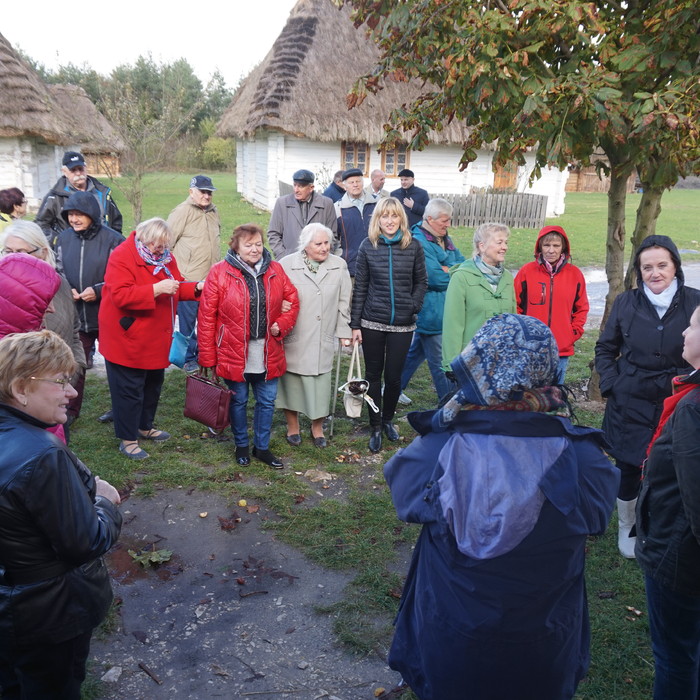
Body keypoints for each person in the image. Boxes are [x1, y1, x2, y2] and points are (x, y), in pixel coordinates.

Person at [384, 313, 619, 700]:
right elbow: (597, 515)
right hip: (544, 643)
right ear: (544, 366)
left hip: (453, 637)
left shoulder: (441, 447)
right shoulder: (583, 456)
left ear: (484, 363)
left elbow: (405, 496)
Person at [0, 329, 122, 700]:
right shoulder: (41, 454)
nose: (71, 392)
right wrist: (105, 502)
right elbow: (83, 543)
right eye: (61, 382)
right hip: (48, 612)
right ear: (21, 389)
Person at [595, 234, 700, 559]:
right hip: (630, 398)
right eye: (647, 267)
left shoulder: (694, 301)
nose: (655, 273)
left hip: (677, 399)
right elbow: (606, 347)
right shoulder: (627, 302)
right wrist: (613, 383)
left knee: (668, 465)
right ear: (639, 271)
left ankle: (660, 523)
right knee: (629, 464)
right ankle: (627, 527)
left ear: (675, 267)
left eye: (662, 265)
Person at [98, 218, 204, 460]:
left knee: (152, 385)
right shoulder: (122, 256)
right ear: (143, 239)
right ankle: (128, 439)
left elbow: (175, 287)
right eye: (156, 245)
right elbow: (120, 295)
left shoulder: (166, 258)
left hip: (155, 337)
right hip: (127, 337)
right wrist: (156, 290)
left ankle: (145, 426)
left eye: (164, 245)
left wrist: (197, 287)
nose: (160, 250)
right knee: (129, 390)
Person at [636, 303, 700, 699]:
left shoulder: (693, 410)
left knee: (676, 656)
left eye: (692, 326)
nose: (683, 333)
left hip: (680, 561)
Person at [198, 223, 299, 468]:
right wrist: (208, 357)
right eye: (248, 245)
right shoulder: (219, 272)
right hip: (233, 351)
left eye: (258, 244)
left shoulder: (275, 269)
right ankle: (241, 445)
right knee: (239, 401)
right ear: (236, 246)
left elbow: (292, 300)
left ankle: (261, 448)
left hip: (268, 350)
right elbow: (206, 316)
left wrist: (281, 324)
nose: (254, 250)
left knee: (266, 402)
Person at [350, 197, 427, 453]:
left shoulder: (413, 246)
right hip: (372, 321)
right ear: (378, 220)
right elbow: (360, 286)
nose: (390, 221)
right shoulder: (367, 246)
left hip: (403, 326)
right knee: (373, 376)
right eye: (385, 216)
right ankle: (374, 425)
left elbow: (421, 282)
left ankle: (387, 420)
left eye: (394, 216)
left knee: (394, 378)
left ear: (401, 219)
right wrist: (355, 323)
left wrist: (412, 305)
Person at [1, 221, 86, 436]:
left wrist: (67, 378)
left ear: (43, 251)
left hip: (57, 397)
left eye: (21, 251)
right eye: (8, 251)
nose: (14, 257)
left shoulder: (61, 285)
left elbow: (74, 332)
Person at [277, 223, 352, 447]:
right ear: (306, 245)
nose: (324, 248)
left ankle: (317, 427)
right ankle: (293, 426)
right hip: (296, 336)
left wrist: (344, 332)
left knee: (320, 385)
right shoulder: (287, 264)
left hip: (323, 336)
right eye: (318, 244)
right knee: (291, 382)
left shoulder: (339, 266)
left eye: (327, 243)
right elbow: (276, 297)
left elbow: (344, 302)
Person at [399, 198, 465, 405]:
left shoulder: (444, 237)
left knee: (415, 353)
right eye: (444, 221)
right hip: (429, 310)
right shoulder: (418, 240)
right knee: (441, 362)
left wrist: (450, 268)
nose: (448, 225)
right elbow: (435, 278)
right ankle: (449, 405)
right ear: (429, 218)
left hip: (443, 308)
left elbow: (464, 265)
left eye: (449, 220)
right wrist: (451, 270)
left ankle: (392, 388)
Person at [515, 225, 589, 383]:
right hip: (531, 349)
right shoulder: (526, 272)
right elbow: (515, 304)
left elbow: (581, 308)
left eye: (556, 245)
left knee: (554, 395)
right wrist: (522, 333)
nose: (551, 250)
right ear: (540, 247)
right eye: (547, 245)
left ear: (563, 248)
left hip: (561, 348)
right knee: (530, 397)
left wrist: (572, 333)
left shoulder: (574, 274)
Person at [441, 222, 516, 371]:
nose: (505, 247)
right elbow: (452, 324)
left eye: (506, 242)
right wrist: (451, 364)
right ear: (482, 246)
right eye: (499, 242)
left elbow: (514, 319)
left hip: (502, 361)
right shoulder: (461, 277)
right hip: (471, 361)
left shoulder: (507, 277)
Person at [167, 175, 221, 372]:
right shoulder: (182, 212)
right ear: (192, 191)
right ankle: (189, 358)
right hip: (188, 280)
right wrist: (176, 275)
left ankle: (206, 355)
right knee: (188, 324)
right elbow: (166, 244)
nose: (207, 196)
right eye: (203, 192)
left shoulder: (214, 212)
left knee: (208, 321)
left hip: (211, 279)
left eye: (209, 192)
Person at [35, 151, 122, 245]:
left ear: (86, 168)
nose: (78, 173)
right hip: (71, 249)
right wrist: (58, 241)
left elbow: (116, 220)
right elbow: (40, 224)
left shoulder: (102, 192)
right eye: (73, 170)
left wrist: (113, 242)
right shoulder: (55, 196)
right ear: (64, 172)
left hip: (102, 247)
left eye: (80, 169)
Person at [268, 169, 338, 260]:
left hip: (318, 261)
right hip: (290, 261)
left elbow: (332, 235)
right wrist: (283, 257)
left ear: (311, 188)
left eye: (300, 186)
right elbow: (273, 233)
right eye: (295, 185)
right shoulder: (282, 203)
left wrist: (323, 257)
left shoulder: (326, 204)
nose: (296, 190)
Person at [335, 168, 376, 277]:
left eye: (358, 181)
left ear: (363, 183)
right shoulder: (337, 208)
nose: (355, 185)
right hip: (349, 267)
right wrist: (341, 256)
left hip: (376, 265)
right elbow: (334, 238)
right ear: (345, 186)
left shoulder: (377, 204)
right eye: (351, 182)